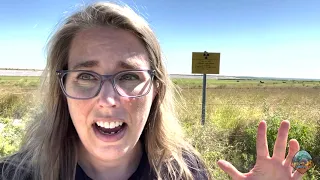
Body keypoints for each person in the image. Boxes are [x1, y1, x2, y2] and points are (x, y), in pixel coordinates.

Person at [0, 2, 304, 180]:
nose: (107, 99)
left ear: (156, 88)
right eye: (86, 76)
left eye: (129, 75)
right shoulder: (15, 174)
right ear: (62, 88)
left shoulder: (185, 171)